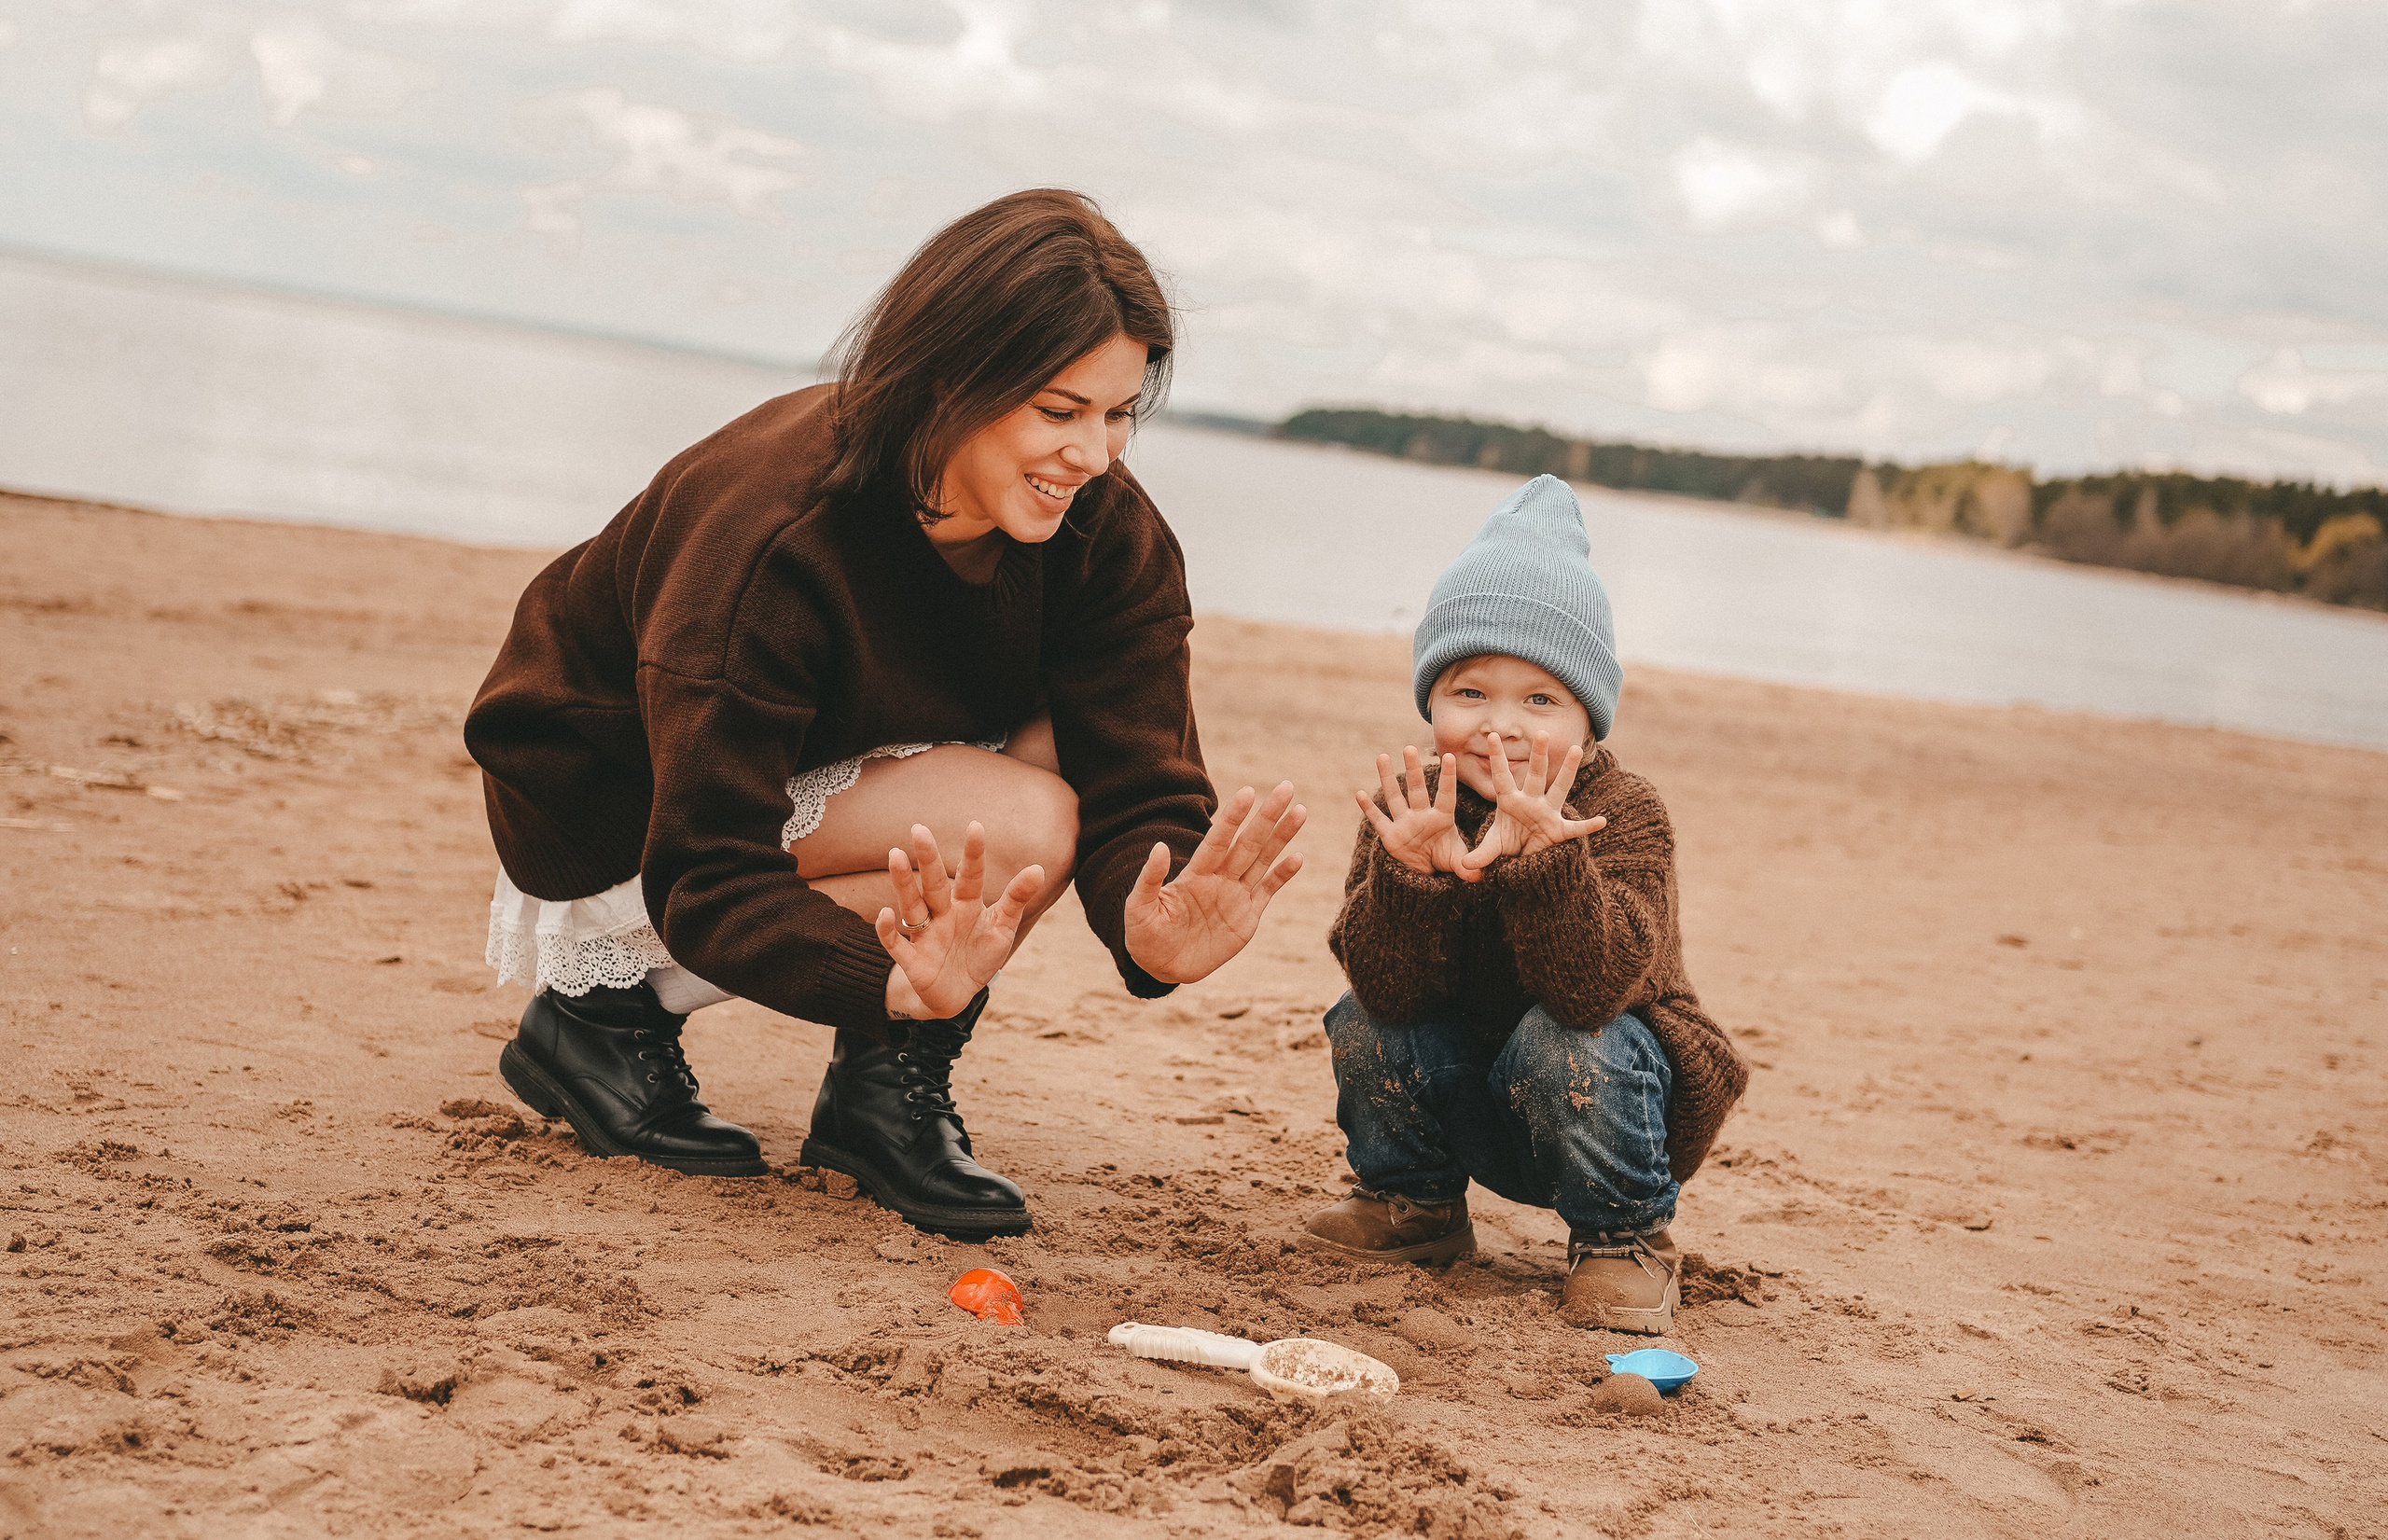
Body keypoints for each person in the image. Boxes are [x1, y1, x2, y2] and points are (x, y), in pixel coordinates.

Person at [464, 189, 1305, 1241]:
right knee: (1026, 821)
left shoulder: (1105, 528)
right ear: (949, 378)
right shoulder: (775, 539)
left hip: (832, 760)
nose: (1094, 455)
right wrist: (891, 985)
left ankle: (876, 1098)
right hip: (613, 800)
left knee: (1060, 751)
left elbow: (1137, 765)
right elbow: (706, 866)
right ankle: (600, 1015)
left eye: (1118, 413)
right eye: (1058, 412)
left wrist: (1153, 920)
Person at [1298, 474, 1747, 1335]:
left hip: (1609, 1097)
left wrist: (1549, 864)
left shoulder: (1626, 812)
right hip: (1472, 1088)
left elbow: (1590, 994)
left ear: (1589, 720)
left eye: (1540, 699)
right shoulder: (1414, 805)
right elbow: (1388, 993)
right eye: (1469, 693)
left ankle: (1624, 1236)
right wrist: (1410, 877)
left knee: (1562, 1037)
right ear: (1431, 700)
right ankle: (1414, 1201)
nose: (1499, 725)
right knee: (1361, 1015)